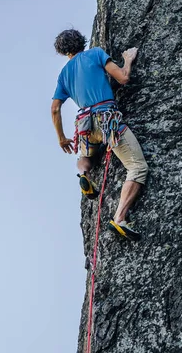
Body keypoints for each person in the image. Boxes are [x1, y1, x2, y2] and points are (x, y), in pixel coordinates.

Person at [50, 29, 148, 241]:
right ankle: (119, 218)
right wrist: (127, 60)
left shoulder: (64, 74)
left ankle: (84, 176)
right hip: (107, 119)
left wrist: (62, 138)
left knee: (87, 157)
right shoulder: (95, 54)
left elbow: (55, 108)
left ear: (63, 52)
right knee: (137, 167)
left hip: (85, 125)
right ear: (81, 42)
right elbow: (122, 78)